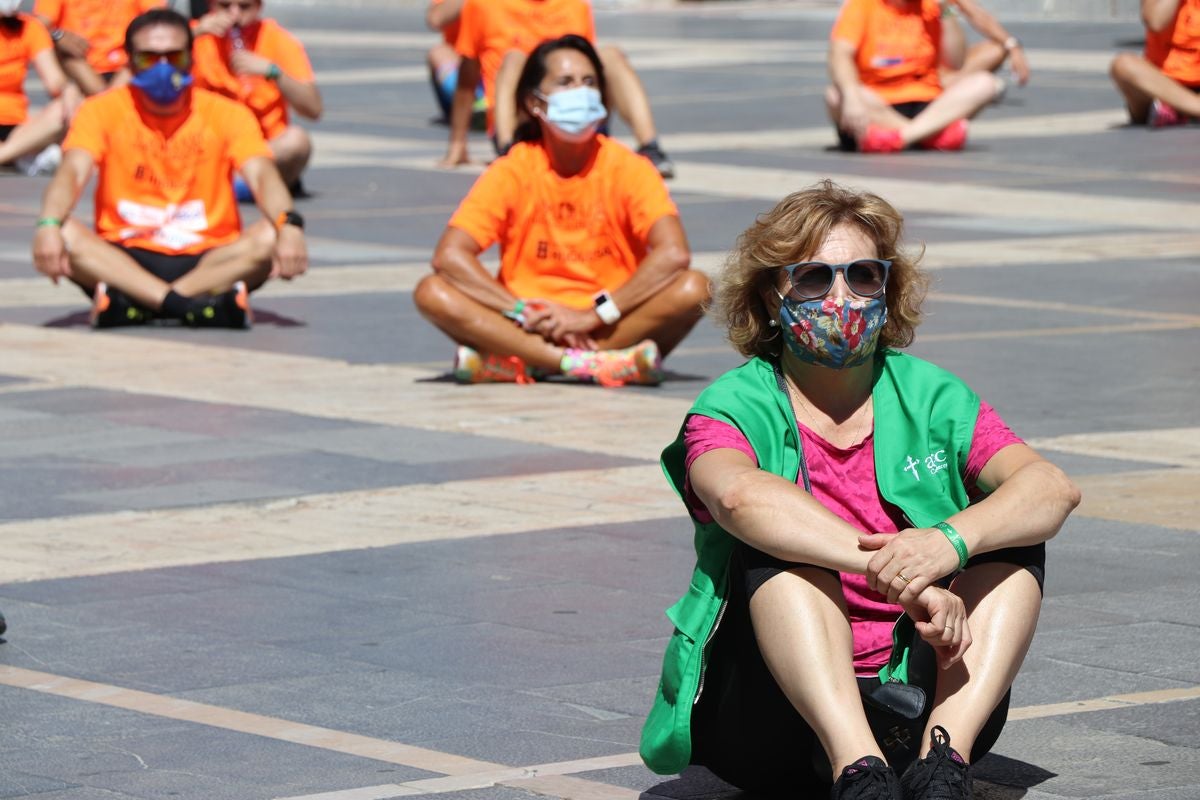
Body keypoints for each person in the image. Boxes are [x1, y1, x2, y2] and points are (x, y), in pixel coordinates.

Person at [639, 181, 1081, 799]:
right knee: (780, 551)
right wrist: (904, 573)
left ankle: (942, 763)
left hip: (926, 688)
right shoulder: (731, 404)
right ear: (772, 296)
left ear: (887, 287)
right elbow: (737, 496)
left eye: (863, 276)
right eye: (815, 278)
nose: (842, 297)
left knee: (1011, 543)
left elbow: (1049, 488)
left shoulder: (930, 392)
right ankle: (859, 771)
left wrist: (950, 542)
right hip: (774, 715)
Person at [416, 35, 708, 386]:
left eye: (589, 82)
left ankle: (522, 362)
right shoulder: (513, 169)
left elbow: (674, 253)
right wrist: (522, 311)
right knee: (431, 291)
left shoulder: (629, 167)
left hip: (607, 318)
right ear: (534, 103)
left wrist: (590, 314)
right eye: (565, 82)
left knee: (695, 288)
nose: (580, 92)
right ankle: (583, 364)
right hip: (523, 320)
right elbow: (449, 256)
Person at [31, 8, 307, 329]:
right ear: (130, 62)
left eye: (173, 57)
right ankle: (192, 304)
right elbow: (72, 172)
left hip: (210, 254)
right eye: (149, 58)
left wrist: (290, 225)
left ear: (191, 58)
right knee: (63, 234)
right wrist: (48, 225)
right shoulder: (100, 110)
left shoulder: (227, 113)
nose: (163, 67)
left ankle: (142, 302)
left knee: (271, 235)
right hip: (125, 253)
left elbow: (262, 174)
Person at [439, 0, 675, 178]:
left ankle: (650, 147)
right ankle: (507, 151)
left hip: (571, 106)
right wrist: (457, 144)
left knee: (611, 55)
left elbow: (586, 65)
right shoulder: (482, 5)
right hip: (523, 115)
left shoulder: (575, 5)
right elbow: (466, 80)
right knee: (513, 59)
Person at [826, 0, 1020, 153]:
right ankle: (931, 136)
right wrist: (852, 97)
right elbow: (840, 54)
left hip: (927, 101)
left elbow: (956, 62)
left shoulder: (934, 6)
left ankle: (900, 138)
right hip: (878, 102)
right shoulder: (863, 4)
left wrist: (946, 11)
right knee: (836, 96)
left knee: (985, 83)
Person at [191, 0, 322, 191]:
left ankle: (232, 184)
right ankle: (241, 184)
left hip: (262, 147)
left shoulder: (277, 39)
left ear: (259, 7)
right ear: (210, 5)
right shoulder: (190, 36)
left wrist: (273, 72)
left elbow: (314, 109)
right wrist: (192, 36)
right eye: (225, 6)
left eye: (244, 7)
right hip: (206, 145)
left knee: (296, 141)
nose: (234, 15)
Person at [33, 0, 164, 97]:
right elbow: (37, 26)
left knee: (148, 48)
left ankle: (104, 102)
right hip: (79, 64)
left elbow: (159, 18)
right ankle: (106, 102)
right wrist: (57, 35)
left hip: (127, 65)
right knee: (65, 51)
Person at [0, 0, 69, 174]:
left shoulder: (30, 27)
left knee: (66, 103)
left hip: (16, 128)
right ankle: (20, 156)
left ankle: (6, 154)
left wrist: (68, 93)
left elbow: (55, 82)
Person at [1110, 0, 1200, 126]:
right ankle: (1193, 108)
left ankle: (1181, 111)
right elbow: (1155, 21)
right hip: (1159, 85)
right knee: (1123, 66)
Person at [426, 0, 485, 124]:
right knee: (438, 53)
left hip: (499, 65)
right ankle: (476, 104)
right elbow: (435, 19)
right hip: (464, 66)